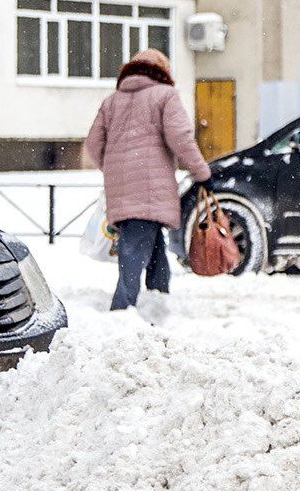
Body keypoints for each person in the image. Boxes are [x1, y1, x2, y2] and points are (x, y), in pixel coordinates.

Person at [83, 47, 211, 312]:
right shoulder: (165, 96)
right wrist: (201, 172)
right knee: (134, 248)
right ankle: (121, 309)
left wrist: (114, 169)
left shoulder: (111, 102)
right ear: (162, 72)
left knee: (151, 244)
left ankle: (158, 296)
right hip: (150, 188)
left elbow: (93, 144)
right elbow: (181, 138)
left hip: (122, 187)